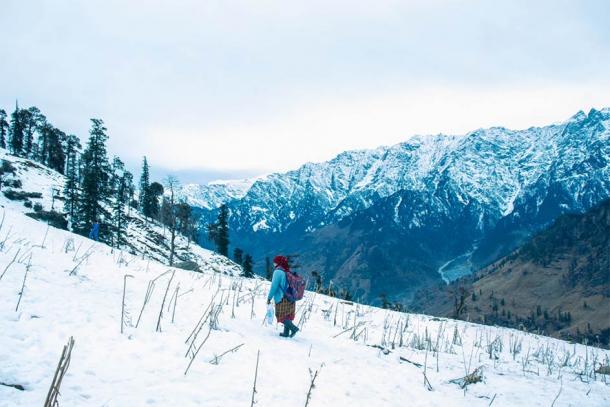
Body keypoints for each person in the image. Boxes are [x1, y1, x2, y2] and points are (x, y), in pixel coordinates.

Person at [267, 255, 299, 338]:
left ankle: (294, 328)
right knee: (287, 315)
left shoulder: (277, 272)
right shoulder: (286, 271)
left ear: (278, 263)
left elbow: (274, 286)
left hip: (282, 297)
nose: (273, 263)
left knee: (281, 316)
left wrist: (269, 297)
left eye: (275, 262)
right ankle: (286, 333)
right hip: (291, 297)